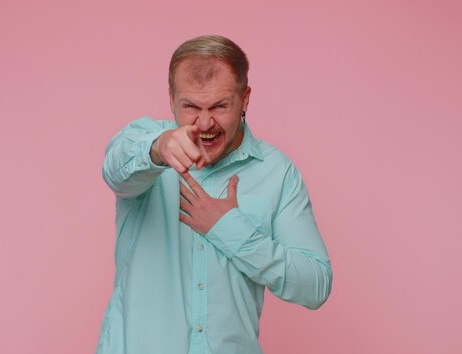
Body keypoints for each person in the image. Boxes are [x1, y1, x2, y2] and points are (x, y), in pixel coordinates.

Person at [96, 35, 332, 354]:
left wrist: (230, 230)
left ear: (245, 99)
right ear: (171, 99)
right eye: (191, 106)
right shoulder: (143, 145)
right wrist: (158, 149)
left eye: (220, 106)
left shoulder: (277, 172)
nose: (205, 123)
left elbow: (315, 285)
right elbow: (114, 171)